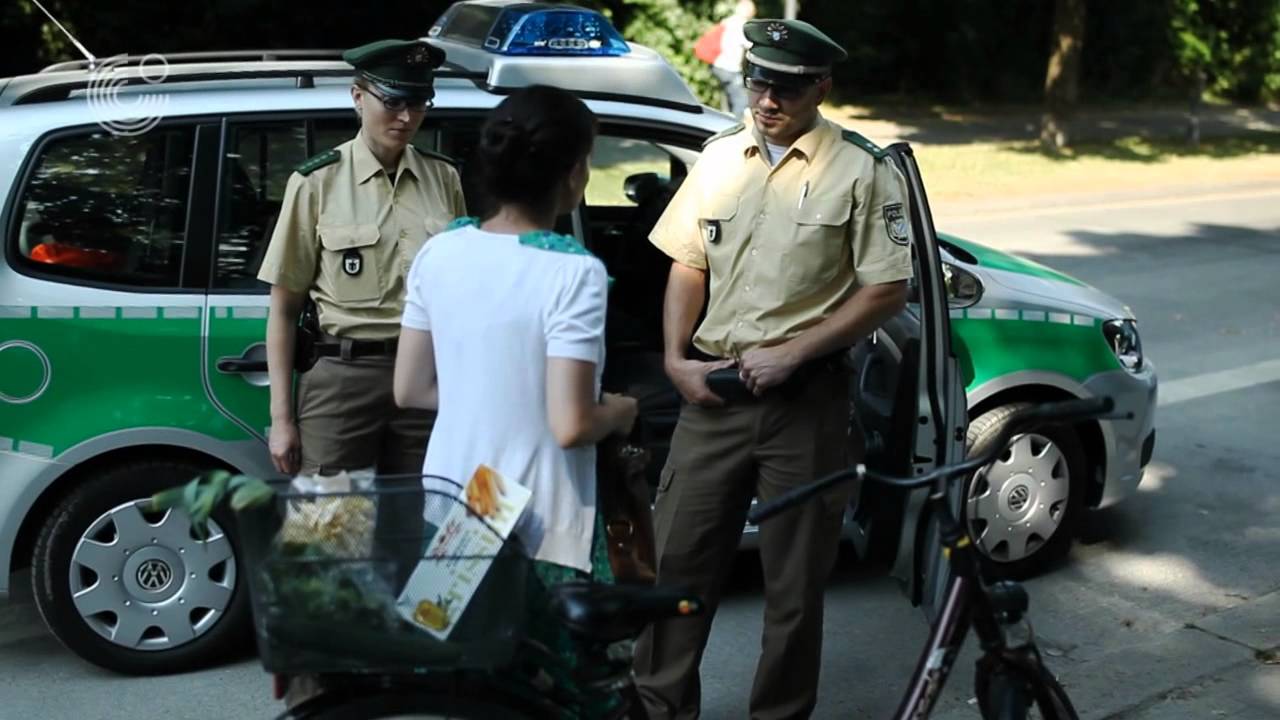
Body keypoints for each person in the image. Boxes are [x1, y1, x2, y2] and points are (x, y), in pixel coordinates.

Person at [632, 19, 915, 720]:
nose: (766, 99)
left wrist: (796, 350)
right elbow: (687, 262)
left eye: (785, 87)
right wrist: (676, 360)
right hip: (714, 396)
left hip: (806, 405)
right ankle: (659, 708)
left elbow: (888, 289)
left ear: (822, 86)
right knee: (677, 568)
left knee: (793, 589)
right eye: (759, 81)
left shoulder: (861, 170)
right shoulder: (720, 158)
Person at [393, 85, 638, 712]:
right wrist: (621, 411)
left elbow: (411, 388)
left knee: (465, 693)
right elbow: (571, 423)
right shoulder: (573, 272)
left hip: (458, 506)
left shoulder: (440, 250)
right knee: (569, 696)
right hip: (542, 519)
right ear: (574, 171)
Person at [256, 38, 466, 483]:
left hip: (428, 376)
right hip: (343, 378)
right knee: (333, 530)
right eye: (392, 101)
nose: (407, 117)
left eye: (419, 102)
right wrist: (282, 419)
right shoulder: (316, 183)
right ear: (358, 96)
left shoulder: (443, 178)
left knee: (418, 520)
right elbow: (283, 308)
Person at [711, 0, 756, 119]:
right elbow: (749, 44)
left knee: (730, 99)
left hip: (718, 65)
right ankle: (736, 127)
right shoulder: (741, 24)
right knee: (741, 101)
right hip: (730, 67)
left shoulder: (728, 21)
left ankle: (727, 120)